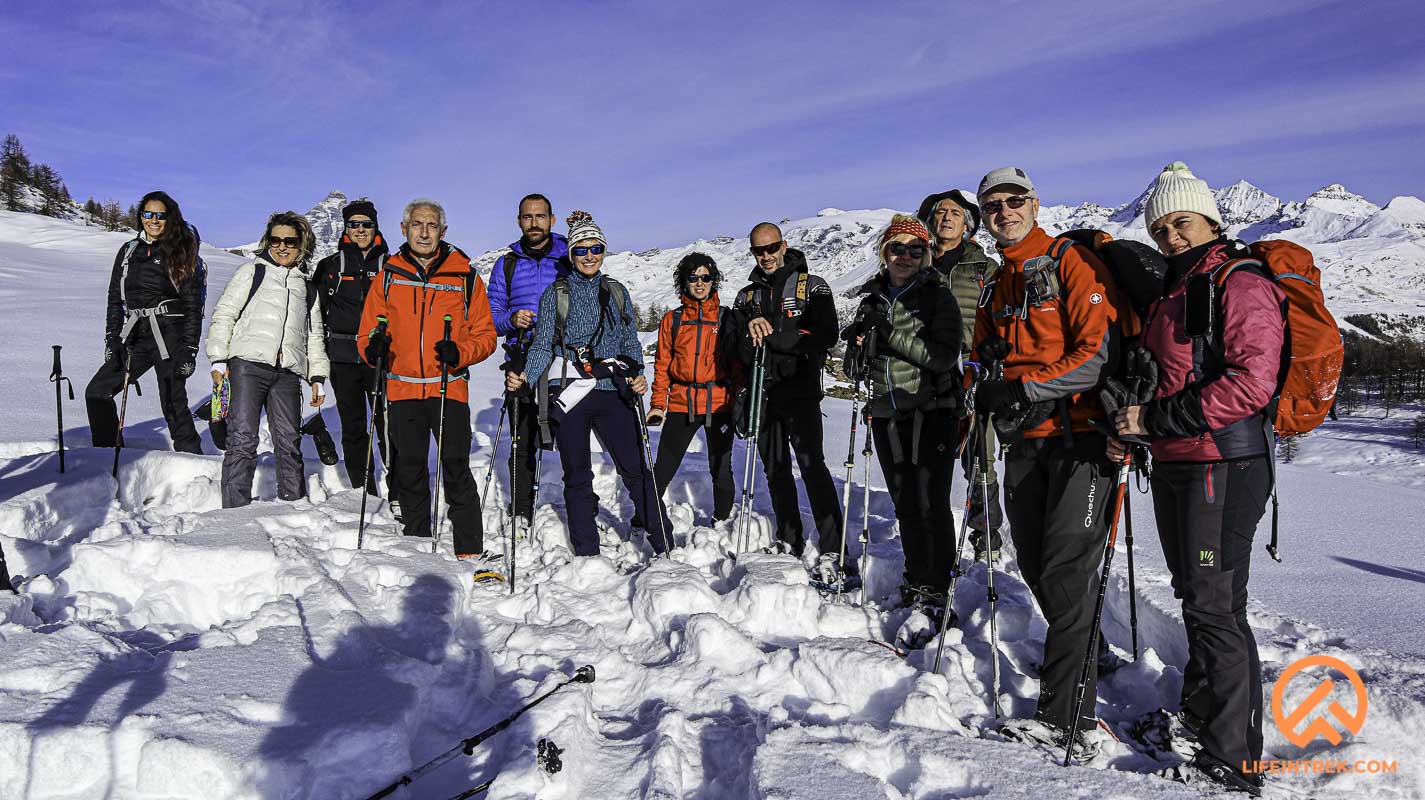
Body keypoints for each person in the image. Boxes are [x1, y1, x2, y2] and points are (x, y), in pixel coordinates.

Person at [1111, 162, 1282, 796]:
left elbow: (1252, 382)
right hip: (1182, 460)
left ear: (1211, 219)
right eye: (1159, 227)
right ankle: (1203, 722)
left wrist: (1155, 417)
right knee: (1197, 596)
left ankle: (1233, 761)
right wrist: (1140, 422)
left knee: (1215, 606)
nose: (1170, 235)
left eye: (1181, 222)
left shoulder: (1240, 282)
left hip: (1224, 463)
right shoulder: (1176, 288)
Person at [971, 166, 1122, 757]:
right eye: (993, 205)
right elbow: (988, 362)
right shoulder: (996, 283)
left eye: (1014, 201)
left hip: (1081, 439)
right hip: (1026, 439)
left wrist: (1023, 387)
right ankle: (1085, 648)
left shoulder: (1067, 263)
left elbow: (1096, 357)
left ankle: (1068, 721)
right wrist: (987, 368)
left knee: (1065, 567)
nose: (1004, 211)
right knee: (1034, 561)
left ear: (1034, 203)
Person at [504, 211, 672, 557]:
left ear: (604, 251)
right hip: (570, 393)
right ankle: (586, 552)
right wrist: (526, 379)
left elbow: (628, 342)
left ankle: (664, 542)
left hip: (613, 392)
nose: (590, 256)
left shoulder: (617, 291)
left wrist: (637, 372)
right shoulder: (556, 294)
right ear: (572, 255)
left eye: (596, 249)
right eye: (581, 250)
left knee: (637, 471)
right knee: (577, 476)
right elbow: (543, 344)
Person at [360, 199, 498, 561]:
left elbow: (486, 335)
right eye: (417, 224)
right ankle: (417, 546)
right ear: (403, 229)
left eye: (432, 225)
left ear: (443, 231)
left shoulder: (464, 275)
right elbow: (366, 334)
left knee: (455, 466)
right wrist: (374, 348)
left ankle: (469, 549)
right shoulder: (388, 275)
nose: (424, 231)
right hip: (403, 387)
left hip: (448, 387)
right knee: (409, 468)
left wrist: (461, 353)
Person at [842, 215, 960, 621]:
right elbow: (861, 364)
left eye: (915, 249)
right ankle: (916, 577)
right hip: (887, 412)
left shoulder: (936, 297)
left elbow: (943, 356)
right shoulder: (872, 298)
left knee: (932, 502)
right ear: (884, 253)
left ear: (926, 254)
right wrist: (859, 351)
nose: (905, 256)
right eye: (897, 248)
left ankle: (939, 588)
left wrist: (889, 335)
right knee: (906, 503)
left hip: (933, 411)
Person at [731, 222, 848, 586]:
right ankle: (789, 536)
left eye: (771, 248)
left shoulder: (811, 285)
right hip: (762, 392)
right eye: (758, 251)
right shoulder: (746, 297)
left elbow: (828, 332)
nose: (765, 256)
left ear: (784, 246)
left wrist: (781, 339)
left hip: (799, 389)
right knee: (775, 467)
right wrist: (749, 335)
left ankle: (833, 545)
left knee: (813, 466)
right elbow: (734, 347)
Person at [207, 212, 328, 508]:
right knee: (243, 439)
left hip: (287, 373)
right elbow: (225, 314)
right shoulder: (252, 273)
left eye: (290, 241)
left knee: (289, 442)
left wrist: (317, 377)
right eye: (276, 240)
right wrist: (218, 359)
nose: (282, 246)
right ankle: (235, 513)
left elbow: (314, 336)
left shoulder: (307, 287)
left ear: (302, 245)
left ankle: (292, 507)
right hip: (247, 366)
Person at [916, 188, 1004, 560]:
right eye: (939, 213)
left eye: (954, 212)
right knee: (924, 460)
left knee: (980, 461)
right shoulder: (916, 267)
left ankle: (987, 538)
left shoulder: (984, 268)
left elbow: (1003, 319)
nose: (946, 217)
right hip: (925, 377)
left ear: (968, 225)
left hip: (972, 374)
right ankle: (928, 533)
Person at [87, 191, 206, 454]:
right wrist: (111, 338)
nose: (154, 220)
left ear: (169, 218)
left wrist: (189, 349)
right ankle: (108, 455)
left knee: (173, 404)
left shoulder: (181, 249)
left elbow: (192, 305)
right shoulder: (129, 251)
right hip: (136, 333)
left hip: (170, 334)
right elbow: (114, 298)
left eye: (160, 215)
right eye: (148, 214)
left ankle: (194, 464)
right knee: (97, 391)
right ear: (140, 217)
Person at [486, 193, 569, 526]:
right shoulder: (506, 264)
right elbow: (491, 317)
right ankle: (521, 508)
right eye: (527, 217)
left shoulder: (569, 256)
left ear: (552, 219)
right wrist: (511, 320)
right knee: (521, 437)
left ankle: (582, 503)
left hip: (564, 358)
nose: (534, 223)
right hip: (521, 357)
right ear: (519, 221)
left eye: (540, 216)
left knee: (572, 435)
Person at [311, 199, 395, 497]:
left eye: (366, 224)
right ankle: (364, 488)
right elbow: (315, 315)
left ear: (376, 227)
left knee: (388, 425)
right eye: (354, 224)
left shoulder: (393, 265)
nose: (360, 230)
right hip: (343, 359)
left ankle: (398, 485)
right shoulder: (330, 267)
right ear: (346, 228)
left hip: (382, 358)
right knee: (354, 426)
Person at [648, 253, 738, 523]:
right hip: (681, 403)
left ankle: (721, 521)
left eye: (706, 278)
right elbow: (662, 366)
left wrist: (741, 403)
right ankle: (646, 517)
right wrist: (657, 404)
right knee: (663, 467)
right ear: (683, 282)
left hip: (719, 402)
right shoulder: (672, 320)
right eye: (693, 278)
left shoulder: (726, 318)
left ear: (714, 281)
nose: (699, 284)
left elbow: (737, 365)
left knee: (721, 469)